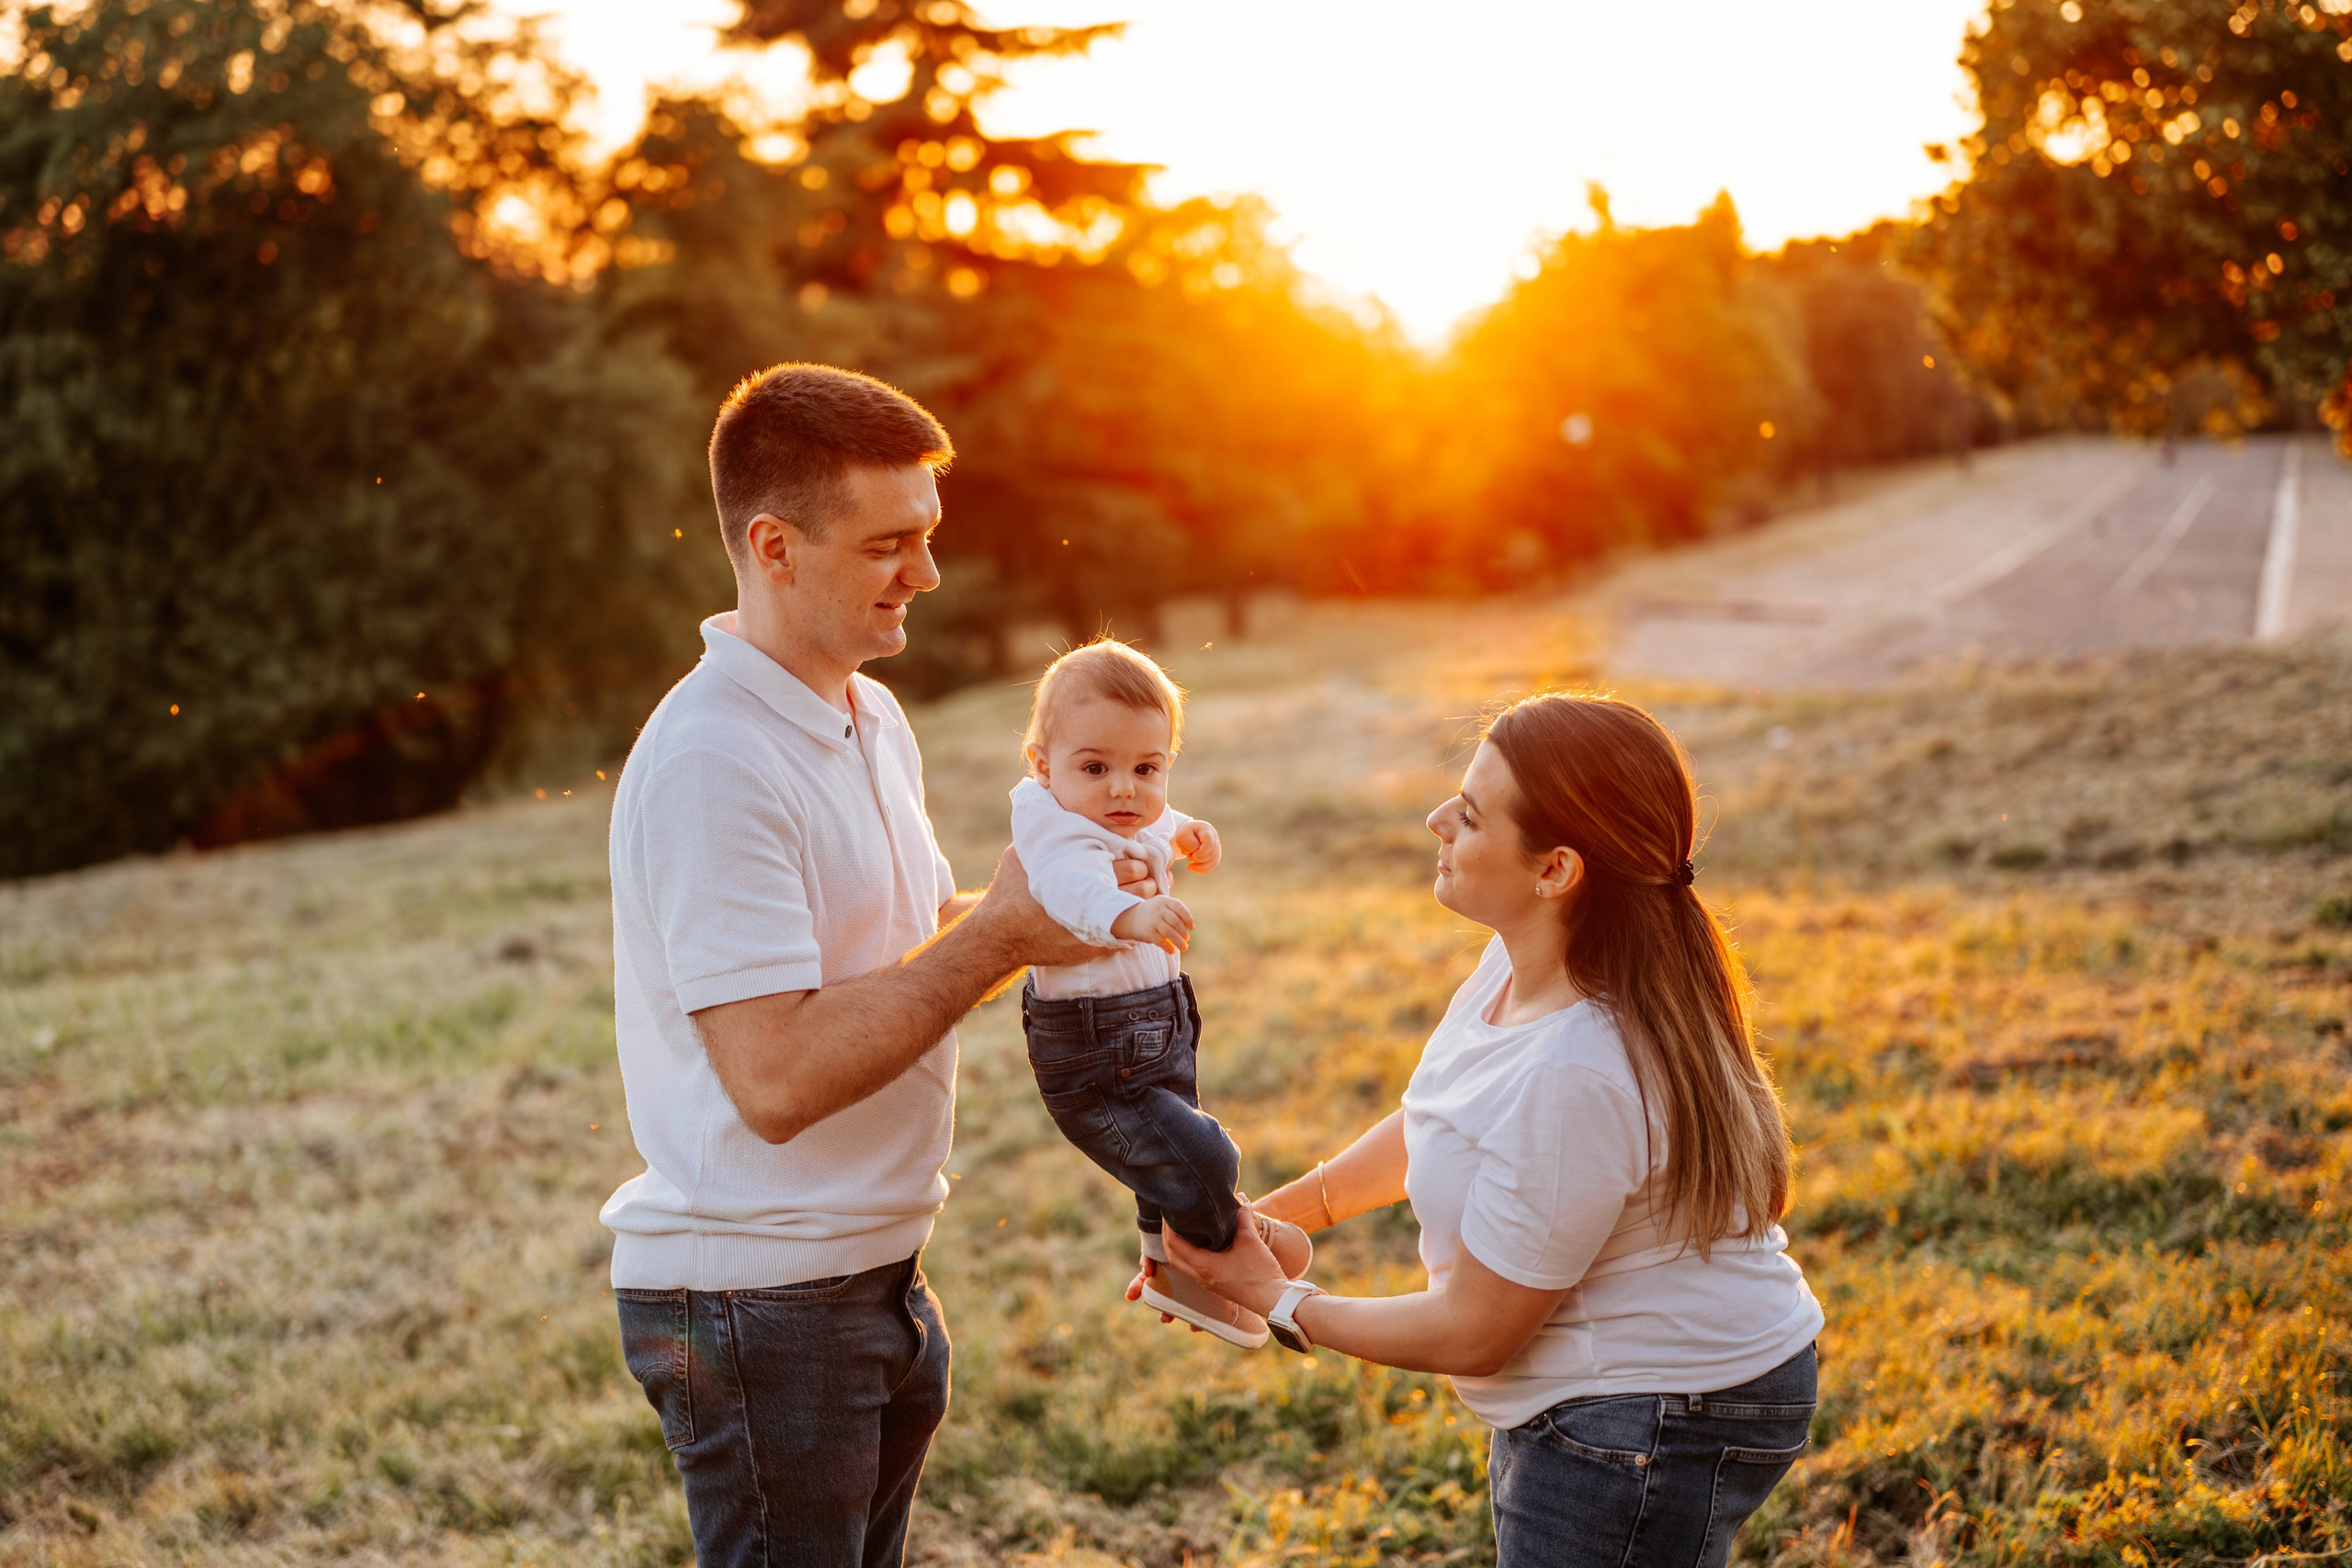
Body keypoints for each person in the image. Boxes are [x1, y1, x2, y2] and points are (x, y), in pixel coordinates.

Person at [599, 363, 1147, 1568]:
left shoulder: (870, 714)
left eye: (928, 535)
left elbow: (906, 947)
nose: (927, 573)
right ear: (774, 547)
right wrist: (999, 933)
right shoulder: (712, 760)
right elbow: (777, 1077)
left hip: (872, 1271)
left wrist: (1067, 904)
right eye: (889, 543)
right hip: (761, 1304)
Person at [1153, 693, 1825, 1568]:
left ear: (1555, 870)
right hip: (1655, 1394)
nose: (1437, 819)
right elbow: (1443, 1119)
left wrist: (1276, 1297)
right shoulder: (1525, 964)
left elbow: (1474, 1331)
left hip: (1651, 1413)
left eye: (1470, 815)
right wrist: (1262, 1221)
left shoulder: (1579, 1067)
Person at [1010, 638, 1312, 1346]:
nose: (1125, 789)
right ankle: (1228, 1250)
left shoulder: (1123, 810)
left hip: (1154, 1024)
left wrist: (1189, 832)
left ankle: (1172, 1265)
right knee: (1203, 1155)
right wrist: (1129, 916)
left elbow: (1157, 821)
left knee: (1168, 1147)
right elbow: (1068, 887)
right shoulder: (1056, 828)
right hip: (1094, 1045)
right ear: (1042, 765)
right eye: (1096, 767)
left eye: (1146, 768)